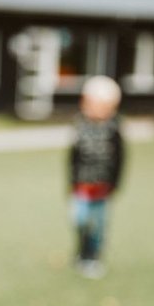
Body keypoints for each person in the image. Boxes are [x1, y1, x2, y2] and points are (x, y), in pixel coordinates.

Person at [68, 75, 125, 279]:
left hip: (102, 188)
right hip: (82, 186)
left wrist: (115, 184)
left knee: (98, 226)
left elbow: (120, 158)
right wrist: (71, 182)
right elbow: (73, 156)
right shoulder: (80, 125)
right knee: (80, 220)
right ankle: (81, 252)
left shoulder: (113, 128)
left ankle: (93, 257)